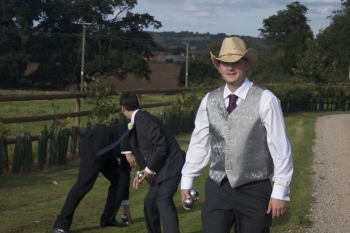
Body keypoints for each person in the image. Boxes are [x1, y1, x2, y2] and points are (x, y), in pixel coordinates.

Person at [180, 37, 294, 233]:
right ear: (219, 67)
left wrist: (280, 191)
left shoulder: (265, 99)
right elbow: (200, 143)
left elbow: (280, 147)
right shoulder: (209, 100)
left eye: (236, 62)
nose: (230, 68)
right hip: (218, 187)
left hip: (254, 189)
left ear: (246, 64)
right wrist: (188, 179)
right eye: (225, 63)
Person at [119, 91, 186, 233]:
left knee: (163, 201)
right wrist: (142, 171)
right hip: (162, 168)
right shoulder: (137, 121)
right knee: (150, 204)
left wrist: (149, 170)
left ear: (123, 108)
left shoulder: (144, 120)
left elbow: (160, 147)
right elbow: (142, 148)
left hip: (172, 165)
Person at [51, 124, 137, 233]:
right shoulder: (132, 139)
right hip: (92, 145)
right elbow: (123, 128)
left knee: (121, 179)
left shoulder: (135, 146)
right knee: (84, 184)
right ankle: (60, 226)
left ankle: (108, 220)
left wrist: (126, 209)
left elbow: (126, 173)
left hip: (106, 152)